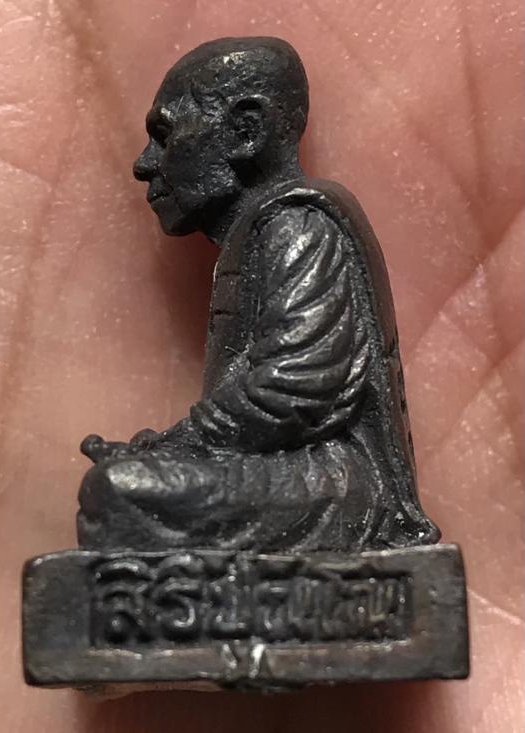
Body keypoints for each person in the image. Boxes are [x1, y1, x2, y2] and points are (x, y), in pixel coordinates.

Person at [77, 37, 439, 552]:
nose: (144, 164)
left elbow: (294, 390)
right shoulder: (262, 234)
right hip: (280, 466)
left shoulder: (297, 226)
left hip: (333, 482)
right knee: (118, 492)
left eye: (164, 135)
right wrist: (170, 448)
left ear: (246, 132)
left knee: (117, 492)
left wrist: (180, 446)